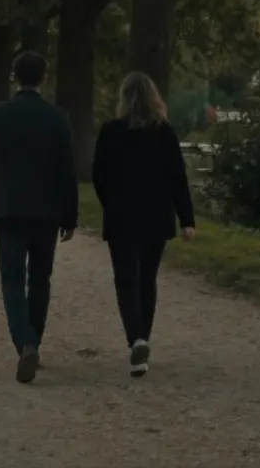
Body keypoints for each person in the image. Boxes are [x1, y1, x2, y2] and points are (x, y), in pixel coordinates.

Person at [0, 51, 78, 384]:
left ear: (13, 76)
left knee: (12, 280)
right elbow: (67, 171)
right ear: (44, 77)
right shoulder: (58, 118)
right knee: (41, 279)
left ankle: (26, 342)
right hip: (47, 212)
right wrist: (70, 216)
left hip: (8, 210)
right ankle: (34, 342)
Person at [92, 71, 195, 378]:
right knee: (147, 278)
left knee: (125, 280)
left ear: (123, 98)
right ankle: (143, 339)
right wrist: (186, 219)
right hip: (156, 215)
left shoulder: (111, 131)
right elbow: (178, 178)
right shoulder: (164, 133)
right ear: (155, 98)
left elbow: (99, 175)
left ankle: (135, 339)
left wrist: (109, 202)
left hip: (121, 214)